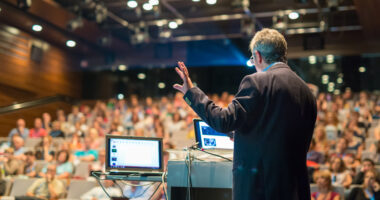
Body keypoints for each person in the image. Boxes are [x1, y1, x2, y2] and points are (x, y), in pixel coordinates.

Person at [173, 28, 317, 199]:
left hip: (260, 189)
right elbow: (276, 133)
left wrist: (192, 92)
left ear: (258, 55)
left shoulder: (257, 81)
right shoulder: (306, 91)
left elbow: (223, 121)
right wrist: (241, 134)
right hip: (295, 190)